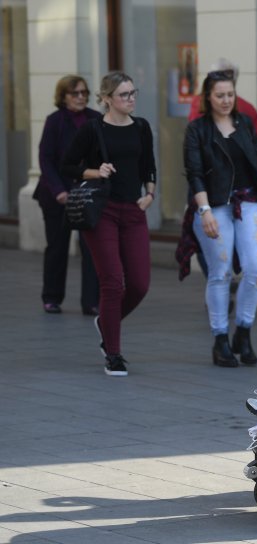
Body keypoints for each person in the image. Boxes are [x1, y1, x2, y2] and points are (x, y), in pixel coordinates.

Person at [184, 69, 257, 367]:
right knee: (220, 273)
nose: (226, 100)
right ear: (208, 97)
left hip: (248, 202)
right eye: (220, 95)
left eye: (230, 94)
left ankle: (243, 331)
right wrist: (204, 211)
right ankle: (220, 339)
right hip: (214, 205)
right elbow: (194, 174)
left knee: (256, 269)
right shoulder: (198, 129)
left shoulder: (243, 123)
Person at [61, 71, 157, 377]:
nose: (130, 99)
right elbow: (67, 165)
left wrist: (151, 194)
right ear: (106, 99)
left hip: (133, 210)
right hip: (102, 211)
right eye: (123, 95)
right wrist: (94, 171)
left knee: (140, 284)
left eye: (133, 93)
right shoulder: (93, 129)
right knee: (113, 282)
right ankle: (113, 353)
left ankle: (105, 321)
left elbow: (149, 166)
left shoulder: (141, 127)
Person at [33, 75, 100, 316]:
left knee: (91, 248)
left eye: (84, 92)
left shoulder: (95, 119)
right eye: (75, 93)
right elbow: (46, 159)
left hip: (86, 193)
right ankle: (51, 297)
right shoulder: (55, 121)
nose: (81, 97)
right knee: (57, 247)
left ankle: (91, 302)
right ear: (63, 97)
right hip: (56, 194)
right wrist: (60, 191)